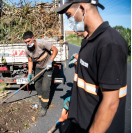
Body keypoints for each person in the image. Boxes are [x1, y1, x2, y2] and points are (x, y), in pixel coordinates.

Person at [55, 0, 128, 133]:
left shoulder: (109, 44)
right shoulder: (89, 41)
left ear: (82, 8)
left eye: (69, 15)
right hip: (80, 122)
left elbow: (110, 104)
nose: (69, 20)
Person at [23, 31, 58, 117]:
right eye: (26, 42)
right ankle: (42, 100)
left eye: (29, 41)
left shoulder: (42, 43)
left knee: (45, 87)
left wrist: (50, 61)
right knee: (37, 86)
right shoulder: (27, 50)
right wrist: (30, 73)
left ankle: (44, 107)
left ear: (33, 38)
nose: (27, 43)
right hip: (38, 68)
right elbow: (30, 61)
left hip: (48, 67)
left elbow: (55, 50)